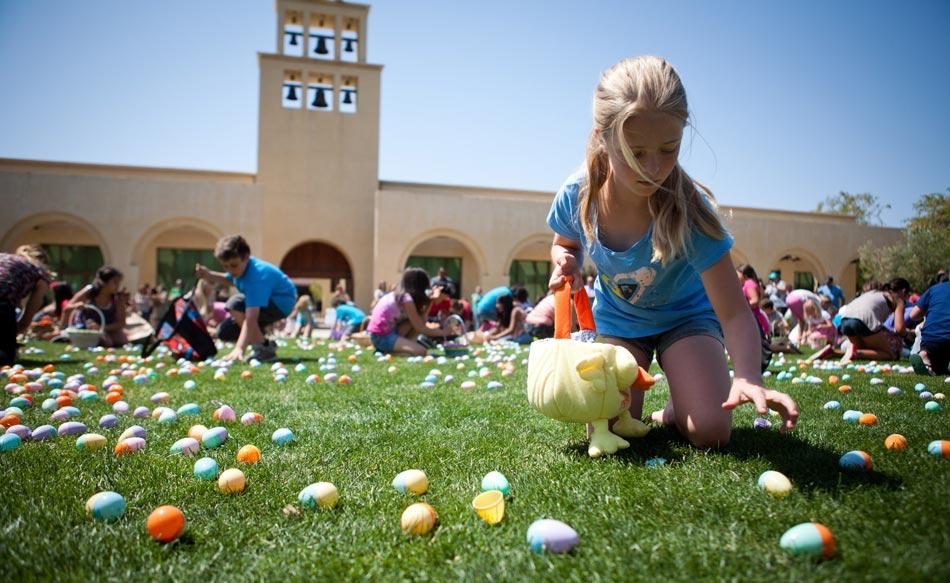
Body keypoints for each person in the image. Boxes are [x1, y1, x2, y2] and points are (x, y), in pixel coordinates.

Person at [546, 56, 798, 448]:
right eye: (636, 152)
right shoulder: (580, 195)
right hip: (619, 323)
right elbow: (566, 243)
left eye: (669, 148)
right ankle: (677, 401)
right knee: (608, 427)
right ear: (602, 137)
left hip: (687, 320)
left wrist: (748, 375)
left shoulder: (690, 211)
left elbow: (733, 312)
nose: (653, 166)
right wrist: (566, 261)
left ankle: (678, 410)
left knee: (710, 431)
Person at [196, 234, 297, 362]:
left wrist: (239, 348)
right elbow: (230, 279)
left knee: (235, 303)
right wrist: (209, 275)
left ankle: (263, 350)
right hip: (271, 303)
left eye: (233, 265)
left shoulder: (256, 276)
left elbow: (251, 318)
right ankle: (265, 344)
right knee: (225, 331)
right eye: (225, 266)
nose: (230, 270)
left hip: (280, 303)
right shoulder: (241, 270)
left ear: (246, 257)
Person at [814, 277, 910, 363]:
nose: (907, 299)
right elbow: (899, 328)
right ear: (904, 291)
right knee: (890, 355)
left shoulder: (874, 293)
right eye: (907, 295)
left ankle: (832, 352)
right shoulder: (898, 300)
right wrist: (908, 335)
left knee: (864, 349)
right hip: (863, 320)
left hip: (845, 319)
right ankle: (856, 353)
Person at [367, 267, 454, 356]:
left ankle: (402, 350)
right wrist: (444, 332)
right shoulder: (406, 299)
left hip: (383, 334)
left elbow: (421, 322)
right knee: (421, 352)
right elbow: (421, 328)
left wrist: (430, 301)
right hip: (381, 337)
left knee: (413, 325)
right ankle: (386, 353)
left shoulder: (402, 295)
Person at [0, 245, 52, 365]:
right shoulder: (40, 271)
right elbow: (27, 318)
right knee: (5, 358)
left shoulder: (5, 258)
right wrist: (12, 336)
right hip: (3, 300)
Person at [65, 266, 130, 348]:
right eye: (115, 282)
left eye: (118, 282)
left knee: (122, 341)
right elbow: (67, 308)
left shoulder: (117, 298)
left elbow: (121, 323)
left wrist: (102, 328)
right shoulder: (89, 292)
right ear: (104, 282)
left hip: (108, 329)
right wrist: (76, 306)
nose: (118, 285)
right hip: (86, 328)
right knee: (107, 342)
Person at [908, 273, 949, 375]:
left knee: (938, 363)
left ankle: (925, 355)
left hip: (931, 340)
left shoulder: (934, 289)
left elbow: (913, 315)